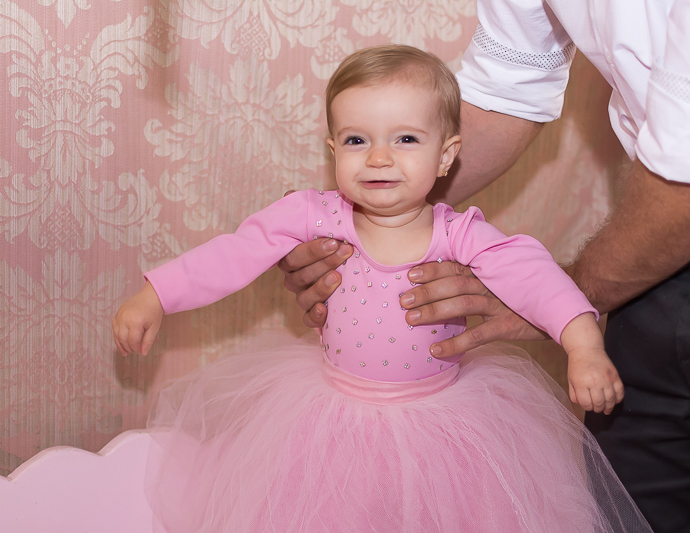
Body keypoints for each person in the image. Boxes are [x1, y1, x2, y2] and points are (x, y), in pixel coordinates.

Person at [281, 2, 690, 531]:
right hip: (647, 261)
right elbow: (509, 85)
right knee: (637, 511)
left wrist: (555, 297)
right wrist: (365, 227)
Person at [113, 45, 653, 532]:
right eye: (357, 140)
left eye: (405, 139)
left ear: (446, 155)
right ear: (333, 150)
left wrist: (583, 345)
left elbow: (535, 275)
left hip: (443, 426)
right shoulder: (314, 215)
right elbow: (236, 251)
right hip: (331, 421)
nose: (378, 157)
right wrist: (156, 295)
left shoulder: (458, 234)